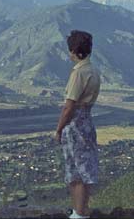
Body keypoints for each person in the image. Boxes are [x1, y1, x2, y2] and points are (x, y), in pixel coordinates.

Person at [54, 30, 101, 219]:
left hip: (75, 124)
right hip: (87, 121)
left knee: (77, 170)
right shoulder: (93, 70)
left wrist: (58, 129)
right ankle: (78, 212)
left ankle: (80, 214)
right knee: (78, 168)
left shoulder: (79, 73)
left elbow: (69, 106)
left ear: (74, 50)